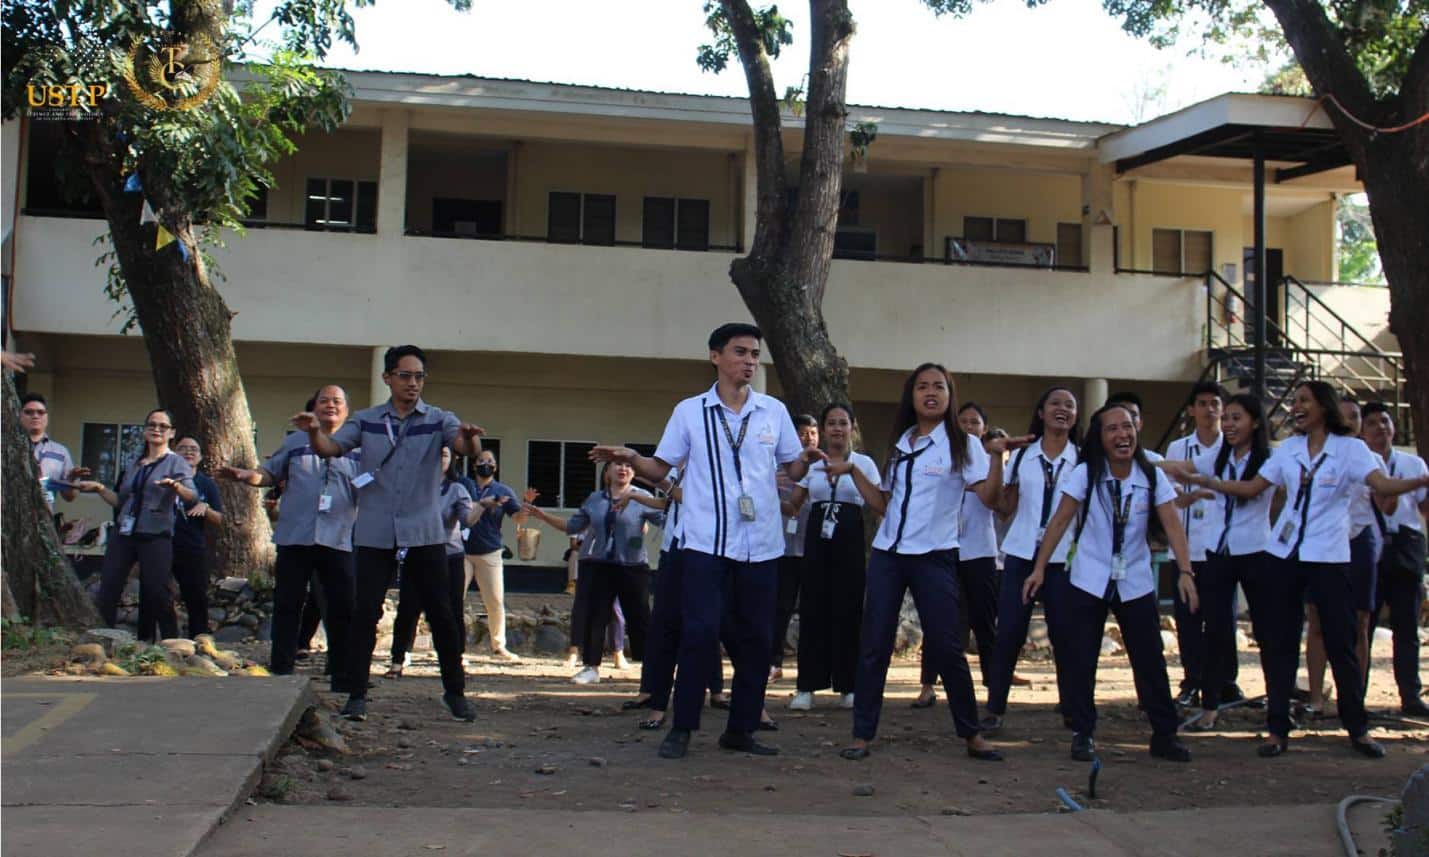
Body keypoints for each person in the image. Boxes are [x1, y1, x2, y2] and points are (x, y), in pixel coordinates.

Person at [590, 322, 825, 759]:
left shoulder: (773, 412)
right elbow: (661, 470)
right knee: (698, 633)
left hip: (762, 545)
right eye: (740, 352)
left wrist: (805, 464)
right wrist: (632, 459)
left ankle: (741, 729)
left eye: (755, 354)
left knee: (757, 638)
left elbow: (790, 471)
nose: (749, 362)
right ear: (715, 357)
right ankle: (682, 727)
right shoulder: (689, 412)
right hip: (705, 544)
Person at [1175, 381, 1429, 758]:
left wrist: (1423, 479)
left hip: (1328, 556)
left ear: (1324, 407)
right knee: (1280, 643)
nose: (1296, 407)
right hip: (1284, 556)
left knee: (1340, 643)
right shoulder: (1289, 450)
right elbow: (1251, 489)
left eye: (1304, 401)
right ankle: (1278, 729)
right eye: (1294, 402)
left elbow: (1383, 485)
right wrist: (1207, 481)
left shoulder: (1351, 449)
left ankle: (1356, 727)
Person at [835, 363, 1023, 763]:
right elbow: (884, 504)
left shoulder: (964, 444)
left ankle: (971, 733)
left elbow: (989, 499)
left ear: (950, 396)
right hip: (889, 555)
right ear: (912, 396)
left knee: (947, 645)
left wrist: (995, 459)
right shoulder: (902, 441)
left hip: (934, 556)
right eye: (922, 387)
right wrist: (852, 470)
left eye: (939, 386)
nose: (931, 393)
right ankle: (861, 735)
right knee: (874, 646)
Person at [295, 346, 486, 722]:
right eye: (405, 376)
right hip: (375, 529)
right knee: (363, 611)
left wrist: (472, 438)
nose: (412, 384)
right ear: (387, 378)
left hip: (425, 530)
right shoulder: (366, 421)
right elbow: (332, 448)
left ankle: (455, 691)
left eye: (418, 377)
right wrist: (316, 431)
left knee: (443, 614)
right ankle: (356, 694)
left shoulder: (438, 419)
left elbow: (465, 446)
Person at [1026, 403, 1195, 763]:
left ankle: (1164, 734)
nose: (1123, 435)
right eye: (1113, 429)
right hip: (1089, 577)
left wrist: (1185, 571)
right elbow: (1059, 522)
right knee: (1081, 658)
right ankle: (1083, 732)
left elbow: (1172, 524)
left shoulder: (1150, 476)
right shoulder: (1086, 474)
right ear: (1100, 438)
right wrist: (1039, 568)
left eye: (1128, 427)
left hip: (1134, 579)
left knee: (1149, 659)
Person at [220, 386, 359, 689]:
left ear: (346, 411)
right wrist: (247, 477)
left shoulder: (358, 446)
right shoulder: (295, 442)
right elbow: (268, 474)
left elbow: (370, 483)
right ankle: (282, 668)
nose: (330, 406)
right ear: (314, 407)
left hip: (339, 537)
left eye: (337, 402)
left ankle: (341, 673)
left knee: (341, 607)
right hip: (296, 535)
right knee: (287, 604)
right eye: (324, 401)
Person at [980, 385, 1080, 734]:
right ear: (1040, 412)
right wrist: (996, 459)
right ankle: (995, 709)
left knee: (1066, 635)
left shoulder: (1081, 460)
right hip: (1021, 555)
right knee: (1008, 632)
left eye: (1070, 405)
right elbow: (1002, 507)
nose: (1062, 409)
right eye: (1055, 403)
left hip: (1062, 560)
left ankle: (1072, 706)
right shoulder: (1022, 457)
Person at [524, 459, 664, 684]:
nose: (623, 468)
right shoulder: (595, 499)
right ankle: (591, 667)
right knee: (595, 616)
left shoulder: (642, 497)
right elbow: (572, 527)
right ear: (607, 471)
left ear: (634, 471)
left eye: (628, 465)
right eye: (617, 464)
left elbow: (666, 518)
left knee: (640, 617)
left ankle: (651, 669)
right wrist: (542, 516)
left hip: (632, 565)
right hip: (597, 564)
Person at [1185, 394, 1276, 731]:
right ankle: (1211, 707)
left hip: (1255, 552)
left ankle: (1276, 706)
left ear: (1254, 422)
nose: (1229, 425)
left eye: (1236, 418)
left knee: (1267, 630)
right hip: (1217, 553)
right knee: (1217, 631)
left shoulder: (1269, 459)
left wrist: (1211, 484)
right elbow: (1185, 468)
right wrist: (1143, 460)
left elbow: (1251, 490)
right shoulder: (1219, 455)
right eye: (1228, 419)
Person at [787, 402, 880, 711]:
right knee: (813, 610)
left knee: (849, 611)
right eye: (831, 423)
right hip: (816, 542)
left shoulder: (864, 463)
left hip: (850, 542)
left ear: (852, 427)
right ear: (823, 430)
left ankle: (849, 686)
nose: (837, 429)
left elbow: (879, 505)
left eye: (843, 423)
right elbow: (794, 506)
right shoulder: (812, 464)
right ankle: (806, 687)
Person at [78, 408, 196, 642]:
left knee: (157, 591)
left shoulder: (176, 463)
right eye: (152, 424)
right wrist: (100, 489)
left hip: (155, 534)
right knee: (109, 586)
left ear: (171, 433)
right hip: (125, 533)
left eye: (163, 426)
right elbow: (121, 501)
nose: (156, 429)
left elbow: (192, 496)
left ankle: (172, 644)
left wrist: (176, 487)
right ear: (144, 430)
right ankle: (104, 641)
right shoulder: (134, 464)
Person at [913, 405, 1000, 709]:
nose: (967, 426)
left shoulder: (989, 464)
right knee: (939, 620)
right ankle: (928, 685)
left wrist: (996, 462)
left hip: (979, 551)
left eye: (974, 422)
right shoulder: (941, 457)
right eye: (961, 422)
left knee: (984, 621)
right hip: (943, 550)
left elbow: (997, 503)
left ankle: (993, 686)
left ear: (984, 428)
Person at [1165, 382, 1243, 709]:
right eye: (1202, 403)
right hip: (1186, 547)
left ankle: (1226, 682)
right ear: (1192, 410)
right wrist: (1192, 494)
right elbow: (1168, 500)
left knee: (1223, 618)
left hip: (1222, 548)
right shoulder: (1178, 450)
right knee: (1188, 619)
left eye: (1215, 403)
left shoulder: (1235, 448)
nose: (1209, 409)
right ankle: (1191, 680)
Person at [1303, 399, 1378, 717]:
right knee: (1317, 621)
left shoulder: (1368, 458)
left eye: (1355, 416)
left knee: (1360, 622)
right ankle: (1317, 698)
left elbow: (1386, 501)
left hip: (1359, 541)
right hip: (1321, 545)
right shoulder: (1313, 454)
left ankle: (1354, 699)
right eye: (1343, 415)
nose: (1349, 421)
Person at [1361, 401, 1429, 716]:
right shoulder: (1361, 463)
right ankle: (1355, 692)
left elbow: (1424, 509)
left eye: (1384, 421)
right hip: (1372, 545)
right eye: (1372, 423)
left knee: (1406, 625)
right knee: (1365, 622)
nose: (1380, 428)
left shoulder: (1414, 464)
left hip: (1406, 543)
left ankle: (1410, 695)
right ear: (1362, 431)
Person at [389, 446, 476, 674]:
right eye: (435, 455)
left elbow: (467, 518)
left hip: (450, 556)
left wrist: (483, 507)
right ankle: (398, 658)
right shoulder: (411, 487)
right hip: (417, 553)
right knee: (408, 607)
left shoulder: (457, 490)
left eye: (445, 455)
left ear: (453, 460)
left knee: (451, 609)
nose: (440, 460)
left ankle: (454, 657)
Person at [461, 449, 525, 662]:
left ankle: (499, 646)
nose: (485, 464)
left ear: (495, 467)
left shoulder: (503, 490)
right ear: (473, 465)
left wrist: (527, 506)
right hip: (460, 550)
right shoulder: (463, 485)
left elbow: (517, 517)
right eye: (480, 460)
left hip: (490, 552)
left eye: (489, 461)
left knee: (495, 601)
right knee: (453, 600)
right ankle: (454, 648)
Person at [771, 414, 818, 682]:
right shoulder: (778, 469)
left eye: (813, 432)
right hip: (783, 551)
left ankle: (811, 668)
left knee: (813, 610)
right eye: (803, 433)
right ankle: (774, 662)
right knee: (781, 608)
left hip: (813, 551)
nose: (809, 437)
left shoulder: (824, 468)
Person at [167, 437, 223, 639]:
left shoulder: (206, 484)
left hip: (192, 546)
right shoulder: (164, 477)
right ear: (174, 453)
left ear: (200, 457)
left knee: (196, 596)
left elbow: (219, 519)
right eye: (183, 448)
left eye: (193, 449)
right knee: (159, 593)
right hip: (162, 543)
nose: (188, 452)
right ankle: (166, 639)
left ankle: (199, 640)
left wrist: (205, 508)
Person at [20, 393, 84, 510]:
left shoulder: (61, 452)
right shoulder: (6, 447)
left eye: (40, 412)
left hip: (43, 520)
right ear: (19, 416)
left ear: (47, 417)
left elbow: (70, 497)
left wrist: (71, 479)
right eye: (29, 412)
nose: (35, 416)